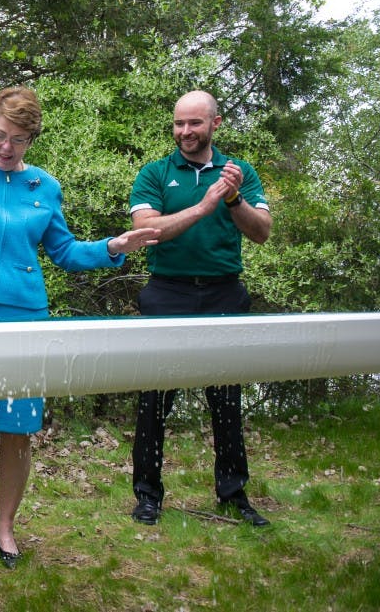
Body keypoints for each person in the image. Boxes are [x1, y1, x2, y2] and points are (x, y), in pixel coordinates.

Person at [0, 87, 160, 574]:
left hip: (23, 318)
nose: (5, 147)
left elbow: (65, 253)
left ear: (30, 140)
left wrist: (113, 245)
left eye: (17, 140)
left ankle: (5, 526)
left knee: (19, 432)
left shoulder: (44, 186)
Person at [128, 90, 273, 527]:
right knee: (153, 399)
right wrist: (205, 204)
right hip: (166, 293)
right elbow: (147, 230)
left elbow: (262, 231)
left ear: (215, 124)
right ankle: (148, 496)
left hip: (223, 294)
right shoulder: (155, 173)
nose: (185, 132)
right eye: (179, 124)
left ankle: (233, 494)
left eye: (194, 123)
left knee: (227, 399)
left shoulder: (238, 172)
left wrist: (232, 199)